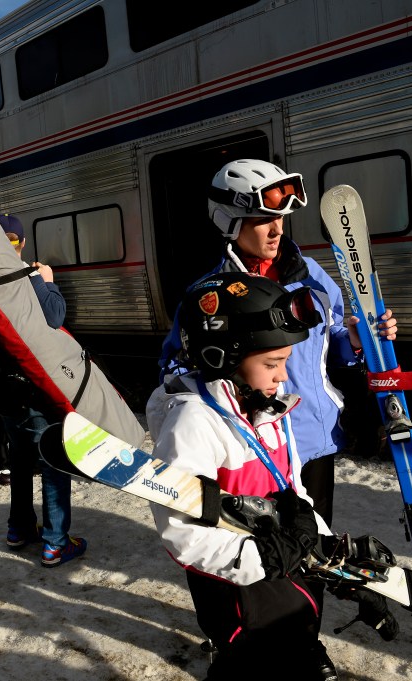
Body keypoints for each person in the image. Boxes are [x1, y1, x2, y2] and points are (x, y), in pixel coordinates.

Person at [148, 272, 396, 679]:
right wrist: (261, 557)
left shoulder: (268, 407)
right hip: (232, 587)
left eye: (284, 362)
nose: (283, 375)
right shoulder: (194, 422)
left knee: (292, 645)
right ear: (221, 357)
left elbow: (291, 487)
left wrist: (335, 557)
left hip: (275, 574)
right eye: (272, 363)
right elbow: (183, 534)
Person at [158, 159, 397, 528]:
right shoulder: (209, 296)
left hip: (313, 435)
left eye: (281, 218)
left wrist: (354, 341)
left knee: (316, 549)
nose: (276, 230)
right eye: (261, 220)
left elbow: (329, 343)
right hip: (256, 448)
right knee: (271, 552)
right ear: (230, 222)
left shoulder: (311, 274)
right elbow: (177, 368)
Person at [0, 213, 84, 566]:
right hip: (31, 390)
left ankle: (19, 529)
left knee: (20, 458)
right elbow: (55, 316)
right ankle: (55, 543)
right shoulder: (27, 277)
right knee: (52, 460)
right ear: (22, 243)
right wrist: (47, 281)